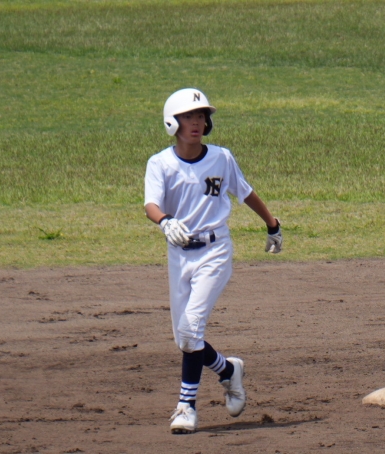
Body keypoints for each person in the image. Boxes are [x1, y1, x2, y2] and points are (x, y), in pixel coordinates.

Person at [144, 88, 282, 434]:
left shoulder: (221, 157)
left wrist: (272, 224)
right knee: (185, 339)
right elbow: (151, 204)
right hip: (179, 255)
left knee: (191, 329)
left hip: (215, 251)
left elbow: (245, 192)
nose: (196, 122)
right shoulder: (160, 163)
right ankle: (228, 371)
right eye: (188, 117)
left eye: (201, 116)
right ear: (172, 122)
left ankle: (185, 407)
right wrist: (165, 221)